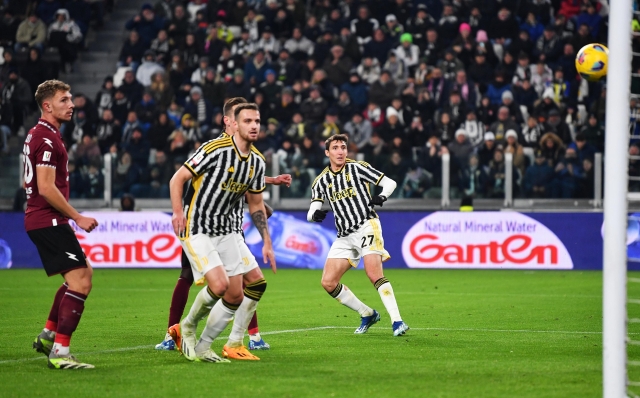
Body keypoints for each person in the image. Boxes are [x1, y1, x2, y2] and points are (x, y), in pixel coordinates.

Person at [155, 97, 291, 352]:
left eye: (257, 121)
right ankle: (178, 329)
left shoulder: (256, 160)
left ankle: (238, 340)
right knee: (204, 282)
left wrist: (267, 240)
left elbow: (253, 196)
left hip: (229, 229)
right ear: (230, 122)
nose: (253, 125)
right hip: (197, 225)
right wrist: (178, 213)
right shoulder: (214, 149)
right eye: (246, 120)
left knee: (246, 287)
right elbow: (180, 178)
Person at [26, 80, 99, 369]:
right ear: (47, 106)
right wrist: (77, 216)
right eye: (64, 100)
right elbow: (44, 187)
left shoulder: (41, 134)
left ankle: (48, 335)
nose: (71, 104)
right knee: (81, 280)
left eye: (70, 99)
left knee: (81, 275)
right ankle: (60, 352)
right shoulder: (45, 138)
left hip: (43, 218)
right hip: (48, 219)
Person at [307, 134, 409, 336]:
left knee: (373, 274)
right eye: (335, 148)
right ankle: (367, 313)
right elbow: (312, 210)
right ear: (327, 153)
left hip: (367, 225)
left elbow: (390, 183)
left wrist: (382, 196)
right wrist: (314, 215)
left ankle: (397, 321)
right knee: (328, 282)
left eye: (343, 147)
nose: (340, 151)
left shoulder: (357, 167)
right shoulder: (321, 181)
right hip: (345, 235)